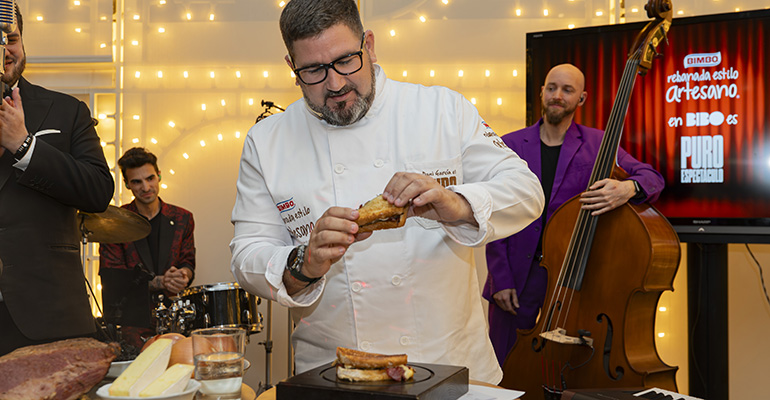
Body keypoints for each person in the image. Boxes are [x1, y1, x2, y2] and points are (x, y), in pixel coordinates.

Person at [230, 0, 544, 384]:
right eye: (313, 70)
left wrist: (455, 202)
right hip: (334, 375)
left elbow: (527, 191)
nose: (336, 84)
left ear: (370, 46)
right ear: (291, 69)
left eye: (346, 60)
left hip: (451, 366)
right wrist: (303, 264)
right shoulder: (267, 142)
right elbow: (246, 253)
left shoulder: (441, 109)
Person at [483, 63, 666, 366]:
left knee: (563, 367)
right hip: (514, 278)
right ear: (541, 92)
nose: (557, 95)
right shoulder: (510, 144)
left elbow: (652, 177)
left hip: (570, 279)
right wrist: (500, 279)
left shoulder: (598, 144)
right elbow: (495, 212)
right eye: (552, 87)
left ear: (581, 98)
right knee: (504, 366)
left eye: (567, 90)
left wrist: (628, 189)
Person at [0, 6, 114, 356]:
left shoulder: (66, 110)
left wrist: (24, 145)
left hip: (48, 315)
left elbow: (98, 191)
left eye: (12, 39)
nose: (5, 50)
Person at [99, 147, 195, 348]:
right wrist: (159, 281)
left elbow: (188, 260)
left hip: (174, 320)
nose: (145, 187)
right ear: (127, 185)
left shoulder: (182, 218)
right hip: (131, 323)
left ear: (159, 176)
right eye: (137, 182)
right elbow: (115, 277)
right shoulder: (114, 222)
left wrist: (182, 275)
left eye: (150, 178)